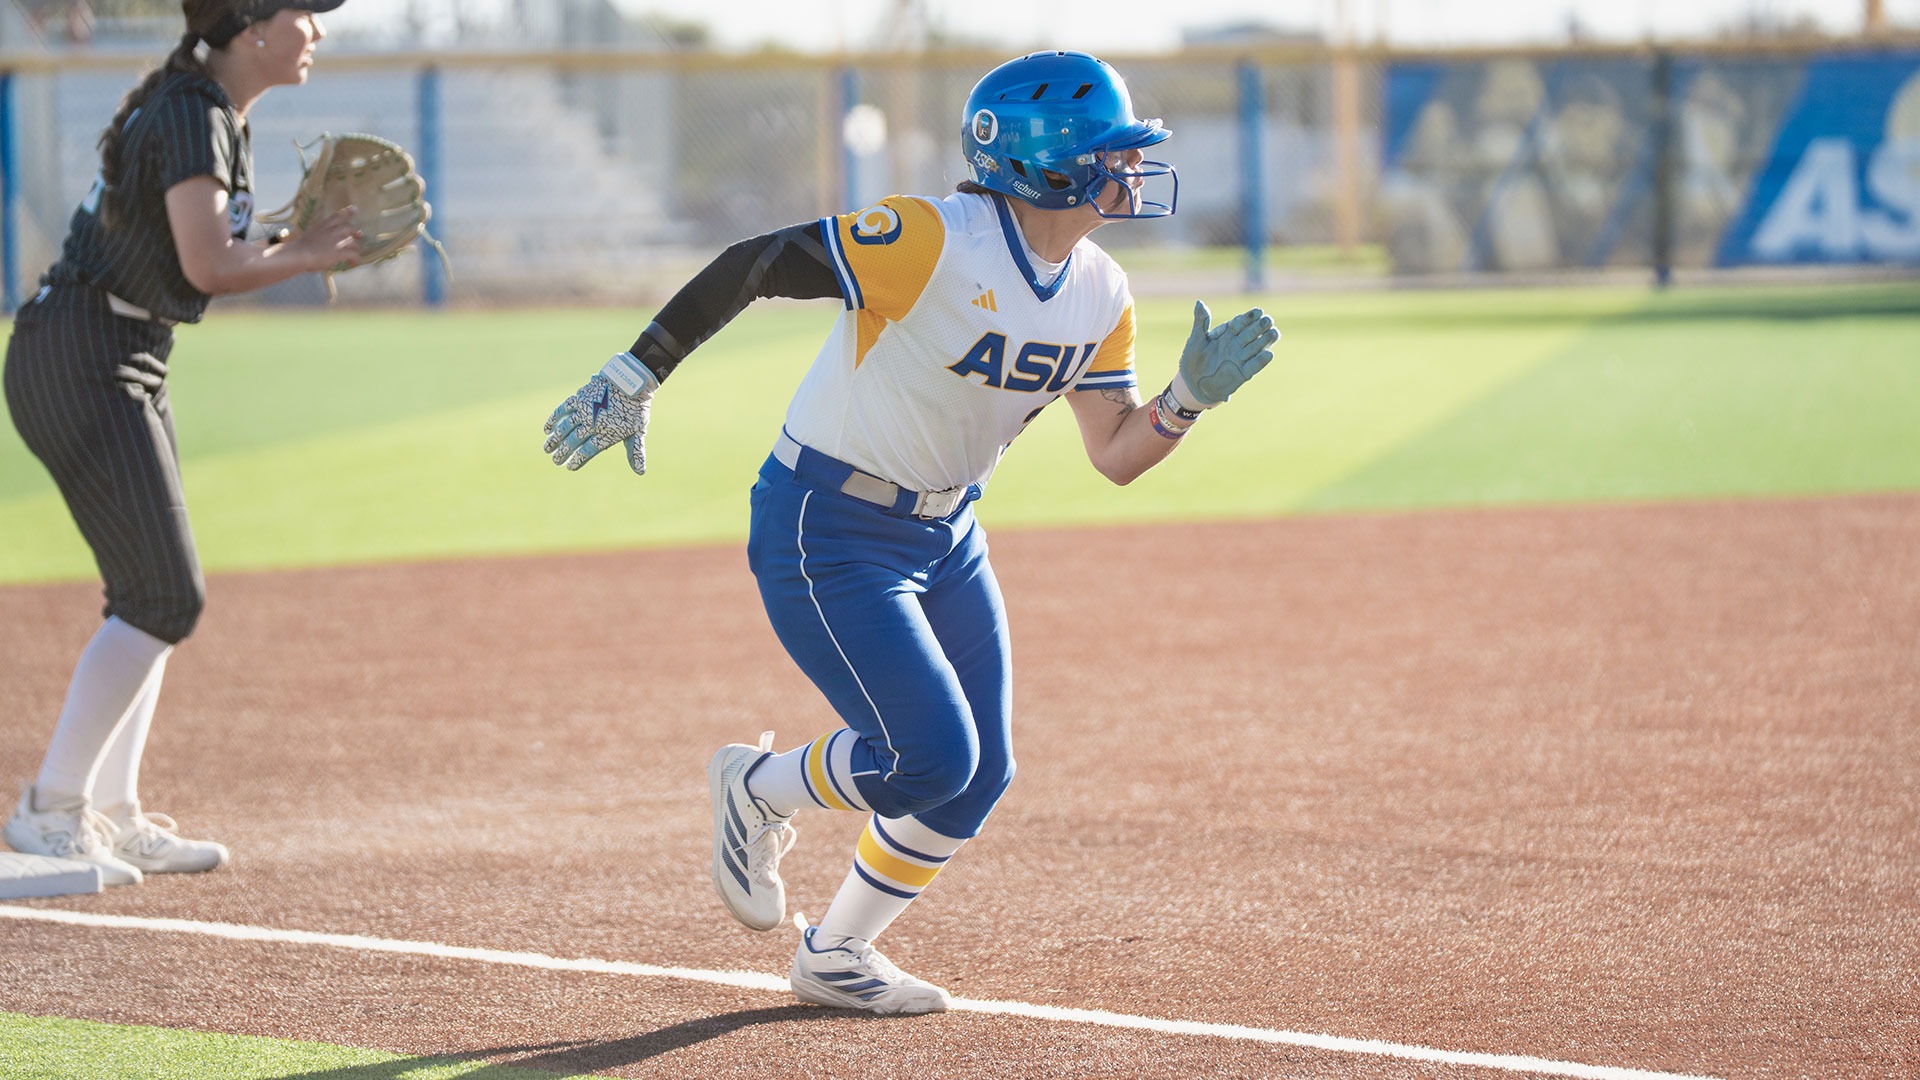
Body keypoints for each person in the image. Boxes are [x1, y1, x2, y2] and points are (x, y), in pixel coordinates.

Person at [543, 50, 1279, 1015]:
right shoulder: (935, 237)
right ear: (1045, 161)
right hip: (828, 521)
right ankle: (757, 786)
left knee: (980, 777)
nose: (1131, 170)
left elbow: (1114, 452)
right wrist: (641, 371)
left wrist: (1185, 401)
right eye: (1112, 152)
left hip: (947, 533)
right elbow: (754, 263)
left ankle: (835, 952)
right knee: (931, 756)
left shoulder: (1103, 289)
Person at [3, 0, 362, 887]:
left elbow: (213, 250)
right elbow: (210, 267)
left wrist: (293, 237)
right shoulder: (195, 113)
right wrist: (307, 253)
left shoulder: (211, 111)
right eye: (301, 14)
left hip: (114, 349)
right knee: (163, 595)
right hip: (85, 353)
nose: (315, 30)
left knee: (151, 596)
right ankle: (50, 811)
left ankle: (114, 816)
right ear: (250, 28)